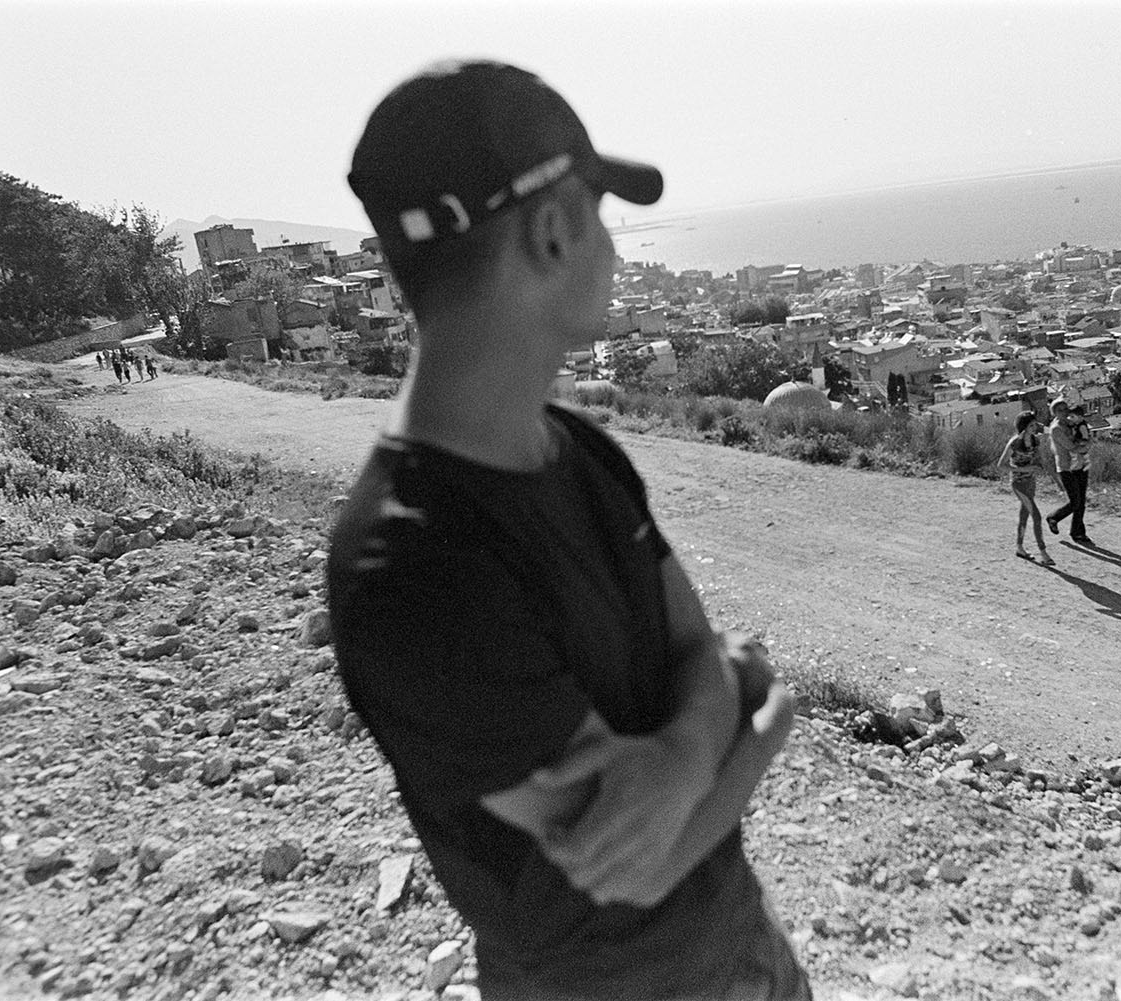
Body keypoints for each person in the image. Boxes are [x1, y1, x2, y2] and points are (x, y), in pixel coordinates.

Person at [327, 60, 808, 1001]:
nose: (619, 257)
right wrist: (760, 726)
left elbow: (694, 650)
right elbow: (632, 868)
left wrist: (677, 758)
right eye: (605, 220)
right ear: (552, 230)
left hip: (740, 940)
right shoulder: (410, 566)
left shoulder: (578, 449)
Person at [996, 411, 1058, 566]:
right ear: (1023, 427)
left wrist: (1055, 479)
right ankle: (1043, 553)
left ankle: (1020, 548)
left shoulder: (1035, 441)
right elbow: (1001, 465)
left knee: (1024, 515)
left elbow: (1041, 461)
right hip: (1018, 484)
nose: (1034, 427)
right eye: (1031, 425)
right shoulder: (1014, 443)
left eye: (1034, 424)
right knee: (1036, 516)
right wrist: (1025, 469)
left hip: (1031, 483)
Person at [1046, 398, 1093, 545]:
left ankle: (1078, 532)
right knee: (1075, 501)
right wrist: (1086, 446)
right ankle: (1054, 517)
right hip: (1066, 468)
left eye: (1066, 409)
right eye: (1060, 410)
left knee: (1081, 501)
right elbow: (1071, 446)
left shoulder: (1070, 422)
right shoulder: (1056, 429)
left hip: (1079, 465)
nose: (1065, 412)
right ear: (1054, 412)